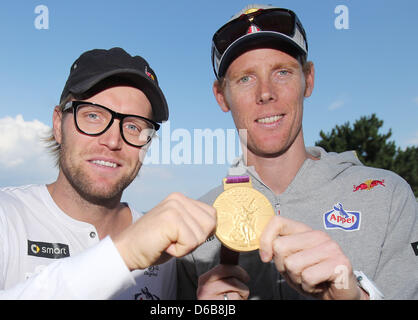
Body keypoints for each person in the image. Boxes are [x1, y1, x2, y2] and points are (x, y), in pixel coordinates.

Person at [177, 4, 418, 300]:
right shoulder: (195, 226)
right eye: (245, 78)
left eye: (282, 72)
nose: (265, 92)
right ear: (221, 96)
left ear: (309, 79)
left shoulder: (388, 196)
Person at [0, 47, 216, 299]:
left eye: (133, 126)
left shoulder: (167, 253)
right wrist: (124, 253)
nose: (112, 140)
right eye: (93, 115)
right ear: (58, 124)